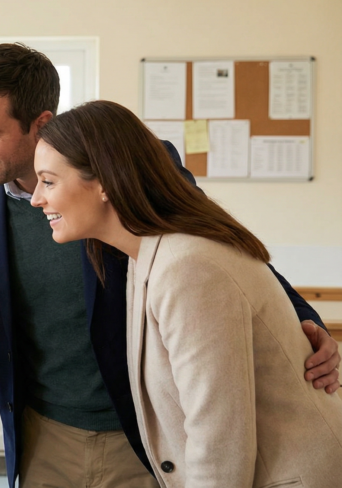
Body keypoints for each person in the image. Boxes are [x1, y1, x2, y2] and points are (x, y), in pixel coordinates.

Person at [0, 43, 340, 488]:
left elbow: (212, 247)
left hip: (147, 430)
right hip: (45, 432)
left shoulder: (127, 169)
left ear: (41, 123)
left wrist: (300, 322)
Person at [30, 99, 342, 487]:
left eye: (48, 181)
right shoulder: (144, 253)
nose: (36, 198)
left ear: (105, 183)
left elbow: (219, 442)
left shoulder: (188, 267)